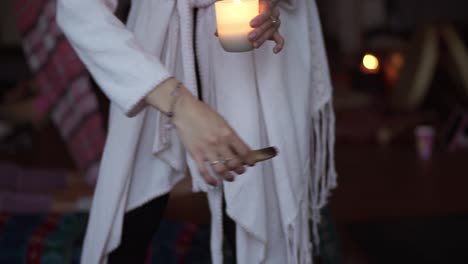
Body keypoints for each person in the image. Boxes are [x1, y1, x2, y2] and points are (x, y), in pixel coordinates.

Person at [57, 0, 337, 263]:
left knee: (262, 225)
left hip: (257, 54)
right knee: (128, 225)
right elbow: (79, 8)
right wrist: (180, 106)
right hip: (150, 58)